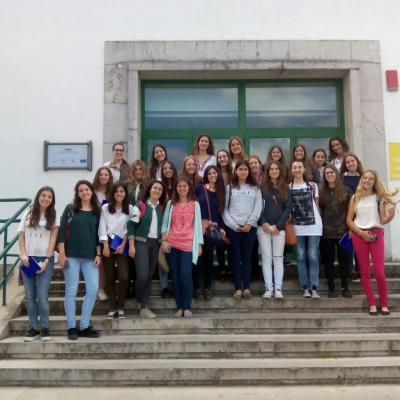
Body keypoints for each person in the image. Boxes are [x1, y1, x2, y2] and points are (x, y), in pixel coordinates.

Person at [346, 170, 398, 316]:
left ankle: (384, 304)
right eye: (365, 178)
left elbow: (382, 220)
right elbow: (349, 220)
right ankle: (372, 304)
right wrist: (361, 233)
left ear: (374, 182)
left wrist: (391, 215)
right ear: (362, 180)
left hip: (376, 234)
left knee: (380, 272)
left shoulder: (379, 198)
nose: (367, 180)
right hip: (359, 234)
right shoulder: (355, 197)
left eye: (370, 179)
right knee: (364, 272)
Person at [58, 180, 102, 340]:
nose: (84, 192)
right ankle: (71, 327)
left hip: (90, 257)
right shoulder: (70, 209)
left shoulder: (97, 212)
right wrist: (62, 253)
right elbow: (61, 231)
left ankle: (84, 326)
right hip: (71, 257)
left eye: (87, 189)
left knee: (92, 289)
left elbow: (99, 235)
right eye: (81, 190)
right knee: (71, 291)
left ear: (91, 191)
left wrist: (99, 254)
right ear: (77, 193)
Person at [18, 186, 59, 342]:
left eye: (49, 196)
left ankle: (45, 328)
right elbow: (21, 235)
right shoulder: (28, 213)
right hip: (28, 259)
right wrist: (23, 255)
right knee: (30, 296)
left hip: (45, 260)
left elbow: (53, 239)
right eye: (43, 195)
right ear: (38, 196)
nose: (46, 198)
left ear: (52, 200)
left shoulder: (54, 215)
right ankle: (32, 328)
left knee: (42, 296)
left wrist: (47, 260)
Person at [161, 177, 203, 317]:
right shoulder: (171, 204)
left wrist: (199, 244)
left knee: (185, 275)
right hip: (172, 244)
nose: (182, 188)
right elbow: (165, 223)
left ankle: (187, 306)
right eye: (179, 186)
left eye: (185, 186)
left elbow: (197, 225)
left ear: (189, 188)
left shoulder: (195, 204)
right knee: (176, 276)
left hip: (188, 245)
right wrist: (164, 240)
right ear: (176, 188)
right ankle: (179, 307)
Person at [223, 160, 262, 300]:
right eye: (241, 169)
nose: (243, 172)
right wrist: (233, 225)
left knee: (247, 258)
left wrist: (250, 223)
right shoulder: (230, 188)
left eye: (246, 169)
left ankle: (246, 288)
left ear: (249, 171)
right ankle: (237, 289)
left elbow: (258, 208)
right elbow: (225, 210)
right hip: (234, 228)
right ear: (236, 171)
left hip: (249, 228)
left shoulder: (255, 188)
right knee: (235, 257)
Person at [128, 180, 166, 318]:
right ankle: (139, 299)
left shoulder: (162, 208)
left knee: (149, 276)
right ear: (149, 190)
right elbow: (131, 226)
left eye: (160, 189)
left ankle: (144, 305)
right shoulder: (140, 205)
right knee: (143, 275)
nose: (157, 191)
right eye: (155, 188)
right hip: (140, 243)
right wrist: (131, 246)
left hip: (155, 244)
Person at [257, 162, 291, 299]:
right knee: (266, 258)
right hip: (263, 228)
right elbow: (257, 207)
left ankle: (278, 289)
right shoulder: (261, 188)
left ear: (280, 171)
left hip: (279, 229)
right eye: (272, 169)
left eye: (277, 168)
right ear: (268, 172)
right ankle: (268, 288)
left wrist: (279, 225)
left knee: (278, 259)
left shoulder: (286, 189)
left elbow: (288, 208)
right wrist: (263, 222)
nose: (274, 171)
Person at [289, 160, 322, 298]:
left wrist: (321, 222)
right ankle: (305, 287)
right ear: (291, 170)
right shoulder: (288, 187)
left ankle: (314, 287)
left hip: (313, 226)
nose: (297, 169)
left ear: (304, 169)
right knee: (301, 257)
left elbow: (317, 205)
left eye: (299, 167)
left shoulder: (312, 185)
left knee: (313, 256)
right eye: (294, 167)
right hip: (297, 227)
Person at [319, 164, 353, 298]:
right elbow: (319, 211)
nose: (329, 175)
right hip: (326, 234)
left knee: (345, 261)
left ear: (337, 174)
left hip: (344, 232)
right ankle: (331, 288)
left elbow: (352, 212)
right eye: (327, 173)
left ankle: (345, 287)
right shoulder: (321, 191)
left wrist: (351, 228)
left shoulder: (346, 191)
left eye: (332, 172)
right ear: (324, 176)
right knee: (328, 261)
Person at [99, 184, 131, 319]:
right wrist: (105, 245)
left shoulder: (129, 208)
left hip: (122, 244)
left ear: (125, 193)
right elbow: (102, 226)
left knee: (124, 277)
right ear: (113, 193)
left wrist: (123, 245)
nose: (119, 193)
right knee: (110, 276)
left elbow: (129, 228)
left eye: (122, 191)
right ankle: (113, 307)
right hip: (108, 243)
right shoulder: (105, 208)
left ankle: (120, 305)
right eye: (117, 191)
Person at [193, 165, 226, 300]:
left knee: (208, 259)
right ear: (206, 175)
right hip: (198, 229)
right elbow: (192, 207)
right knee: (197, 259)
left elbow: (222, 212)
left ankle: (207, 287)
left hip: (211, 230)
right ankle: (197, 288)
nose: (213, 175)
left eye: (215, 173)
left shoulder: (221, 192)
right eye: (210, 173)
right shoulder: (199, 189)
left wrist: (222, 227)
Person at [92, 166, 113, 301]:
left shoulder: (112, 193)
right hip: (94, 227)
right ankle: (97, 288)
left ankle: (104, 287)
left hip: (109, 230)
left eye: (106, 174)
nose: (104, 176)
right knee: (96, 259)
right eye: (101, 174)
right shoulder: (92, 192)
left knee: (106, 261)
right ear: (98, 176)